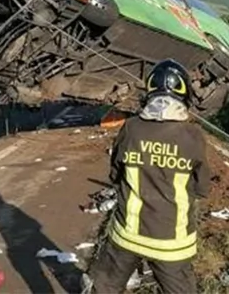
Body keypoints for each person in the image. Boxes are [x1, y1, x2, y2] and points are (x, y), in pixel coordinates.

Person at [83, 59, 211, 294]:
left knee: (102, 288)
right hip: (172, 243)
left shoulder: (131, 128)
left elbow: (115, 174)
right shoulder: (193, 136)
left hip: (127, 235)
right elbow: (202, 188)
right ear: (184, 97)